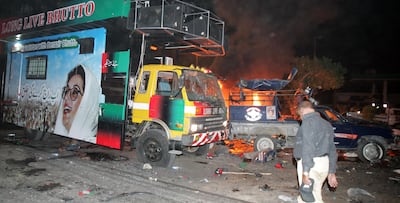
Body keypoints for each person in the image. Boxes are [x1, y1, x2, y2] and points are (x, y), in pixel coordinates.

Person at [293, 100, 339, 203]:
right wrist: (331, 172)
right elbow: (332, 149)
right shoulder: (326, 124)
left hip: (311, 165)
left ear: (301, 111)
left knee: (309, 199)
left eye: (299, 115)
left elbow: (308, 147)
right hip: (324, 165)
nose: (300, 118)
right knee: (314, 194)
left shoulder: (307, 122)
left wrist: (305, 172)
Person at [54, 64, 100, 149]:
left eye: (75, 92)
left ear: (87, 100)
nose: (66, 98)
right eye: (67, 90)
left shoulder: (90, 137)